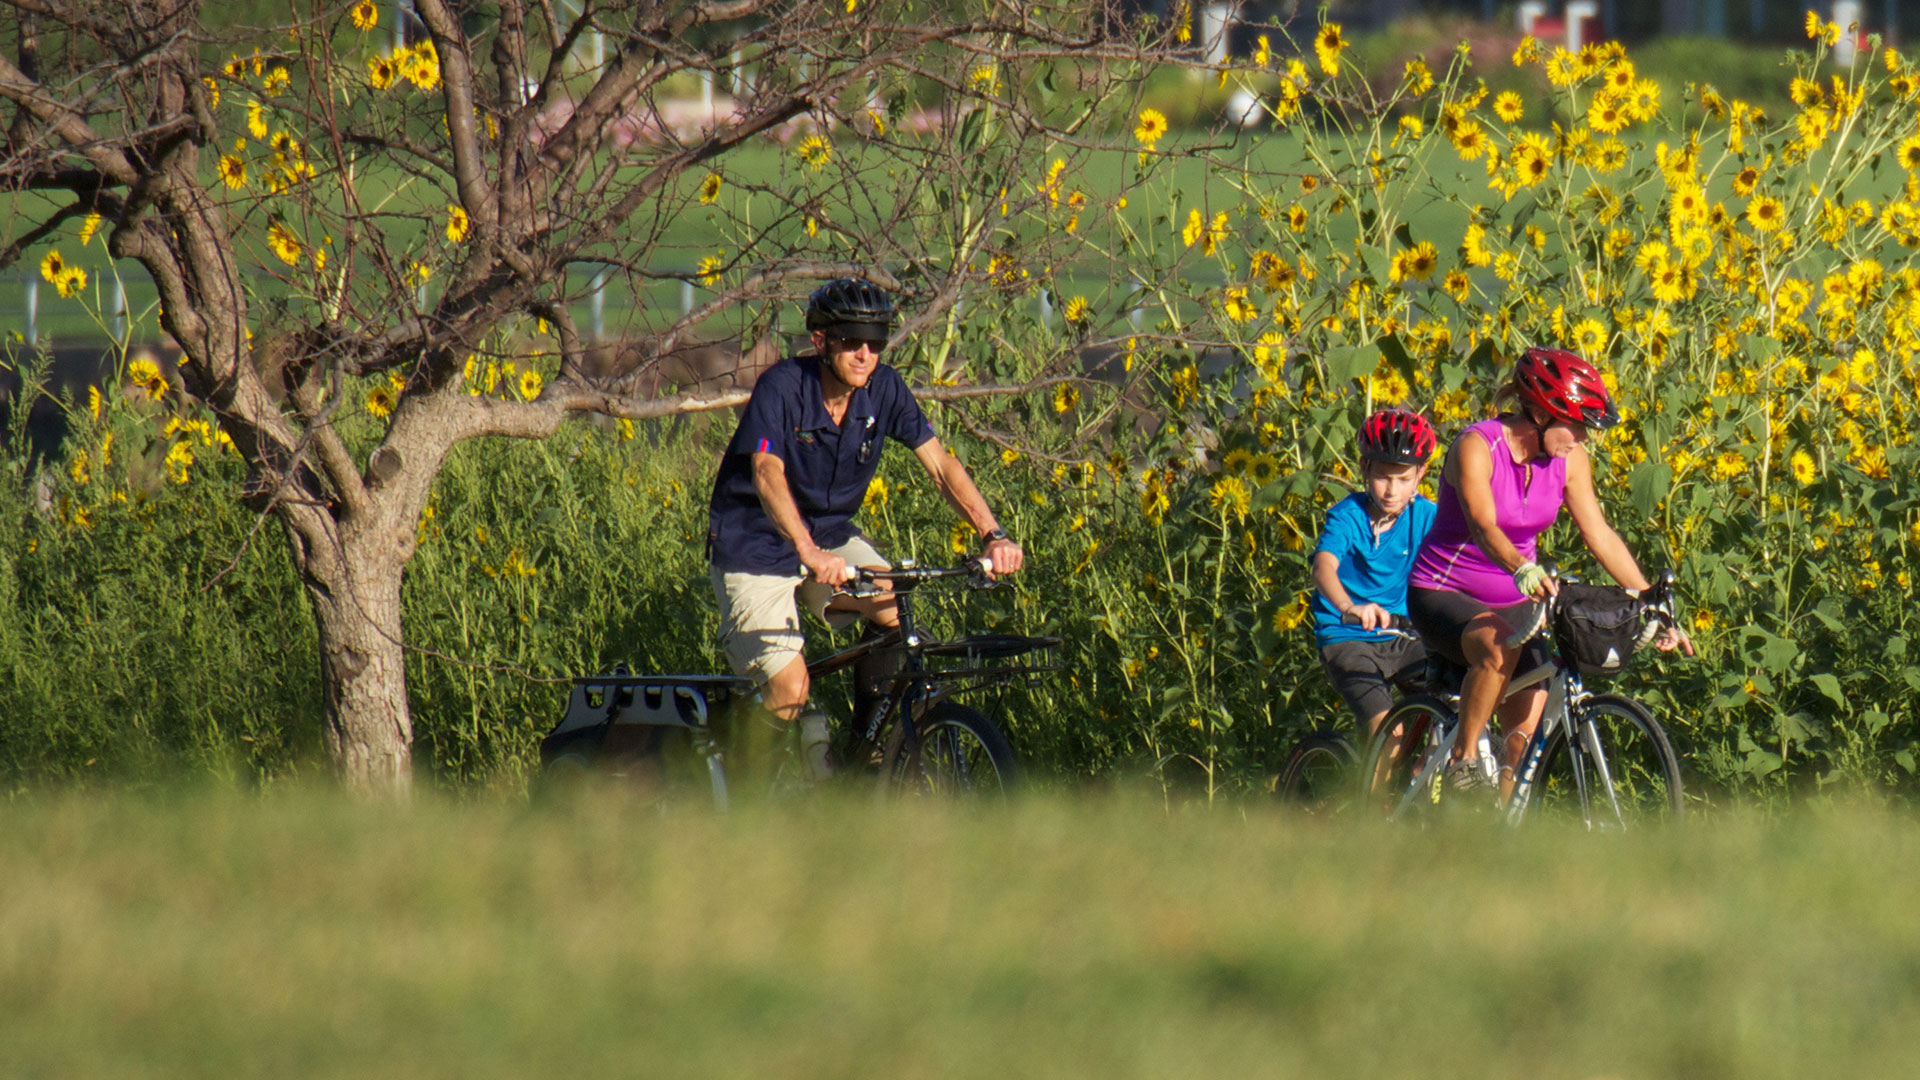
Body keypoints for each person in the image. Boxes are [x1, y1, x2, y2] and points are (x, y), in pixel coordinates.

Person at [706, 277, 1024, 777]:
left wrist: (993, 533)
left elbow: (941, 467)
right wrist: (807, 552)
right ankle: (742, 787)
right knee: (790, 691)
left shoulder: (885, 390)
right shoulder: (783, 388)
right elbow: (767, 474)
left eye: (874, 343)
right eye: (851, 341)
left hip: (830, 538)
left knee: (900, 616)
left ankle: (864, 760)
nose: (864, 354)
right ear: (821, 341)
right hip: (756, 546)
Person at [1406, 347, 1692, 796]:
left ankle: (1496, 842)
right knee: (1498, 648)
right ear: (1539, 412)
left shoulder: (1570, 459)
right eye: (1575, 424)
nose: (1582, 437)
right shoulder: (1477, 447)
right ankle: (1461, 761)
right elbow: (1483, 527)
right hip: (1444, 592)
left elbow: (1598, 533)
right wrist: (1522, 566)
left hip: (1522, 601)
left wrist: (1649, 600)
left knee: (1521, 744)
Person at [1309, 409, 1439, 740]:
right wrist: (1348, 607)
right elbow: (1323, 566)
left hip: (1401, 632)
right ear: (1366, 468)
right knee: (1388, 732)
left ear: (1421, 473)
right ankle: (1372, 794)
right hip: (1347, 635)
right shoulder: (1347, 517)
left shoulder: (1426, 516)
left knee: (1451, 704)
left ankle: (1423, 776)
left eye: (1404, 479)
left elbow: (1465, 555)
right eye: (1383, 476)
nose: (1392, 491)